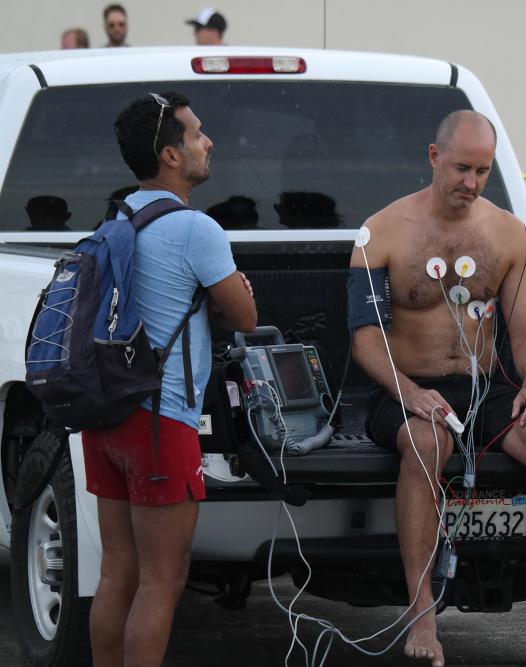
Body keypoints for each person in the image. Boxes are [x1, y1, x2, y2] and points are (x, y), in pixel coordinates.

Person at [349, 110, 526, 667]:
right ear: (434, 157)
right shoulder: (381, 231)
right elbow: (366, 340)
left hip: (483, 390)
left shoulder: (507, 233)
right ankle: (422, 617)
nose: (471, 181)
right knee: (426, 444)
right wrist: (411, 394)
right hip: (405, 389)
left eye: (483, 171)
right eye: (462, 167)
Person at [82, 91, 257, 667]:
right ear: (171, 155)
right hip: (162, 420)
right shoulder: (195, 229)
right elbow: (246, 314)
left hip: (105, 413)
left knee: (117, 572)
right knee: (162, 580)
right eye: (197, 134)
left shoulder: (120, 213)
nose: (209, 142)